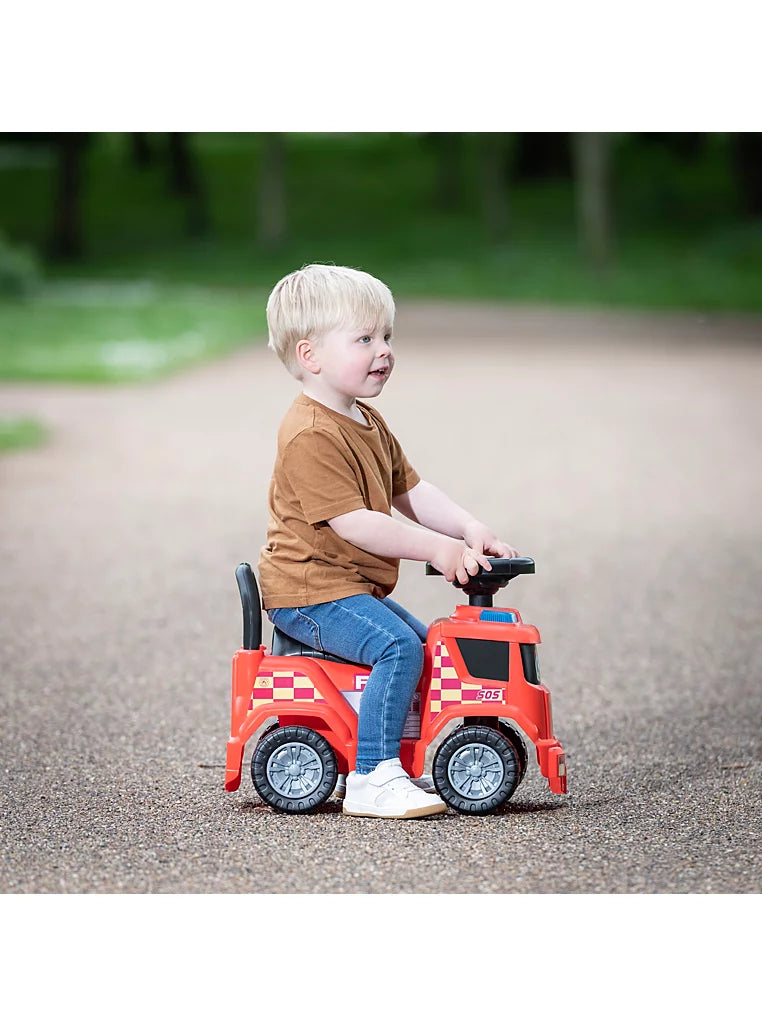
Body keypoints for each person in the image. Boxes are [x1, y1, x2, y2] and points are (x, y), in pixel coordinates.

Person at [258, 264, 518, 819]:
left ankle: (403, 755)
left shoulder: (365, 420)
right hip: (310, 592)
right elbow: (355, 523)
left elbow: (412, 491)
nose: (384, 351)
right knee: (396, 648)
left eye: (387, 337)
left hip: (343, 587)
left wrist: (468, 527)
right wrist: (436, 550)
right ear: (311, 356)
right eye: (365, 339)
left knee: (426, 646)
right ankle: (373, 775)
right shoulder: (311, 433)